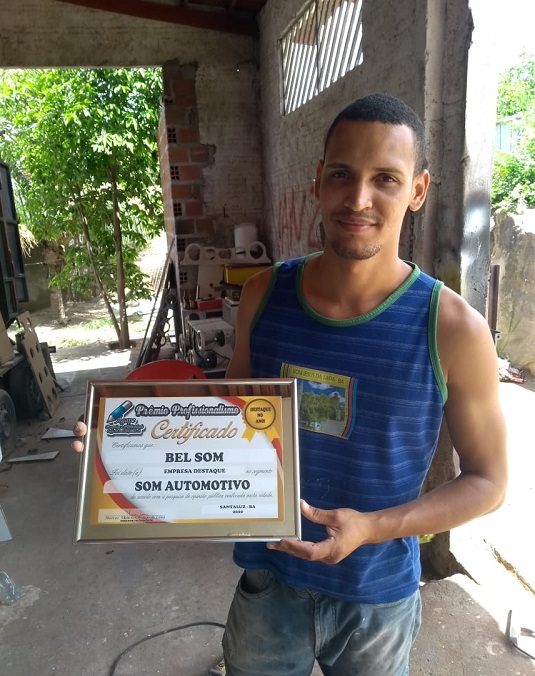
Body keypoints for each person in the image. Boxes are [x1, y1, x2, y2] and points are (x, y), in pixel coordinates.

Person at [73, 93, 508, 676]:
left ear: (418, 190)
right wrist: (123, 448)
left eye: (385, 178)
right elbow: (226, 428)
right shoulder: (264, 296)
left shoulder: (452, 328)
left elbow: (488, 482)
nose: (359, 198)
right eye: (342, 175)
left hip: (376, 599)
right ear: (317, 181)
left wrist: (373, 528)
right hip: (269, 582)